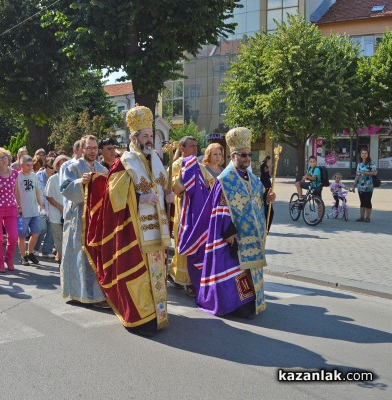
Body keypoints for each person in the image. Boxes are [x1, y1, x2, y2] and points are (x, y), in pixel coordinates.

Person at [84, 107, 175, 333]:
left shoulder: (155, 159)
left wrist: (169, 197)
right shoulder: (124, 162)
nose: (148, 140)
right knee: (138, 273)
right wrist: (139, 196)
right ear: (134, 138)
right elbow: (113, 197)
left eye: (151, 136)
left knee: (157, 272)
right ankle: (141, 317)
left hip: (158, 230)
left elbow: (162, 188)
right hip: (134, 232)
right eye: (144, 136)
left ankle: (157, 313)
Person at [185, 127, 275, 318]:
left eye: (249, 155)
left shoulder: (251, 178)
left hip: (249, 235)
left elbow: (258, 198)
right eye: (243, 155)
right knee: (234, 272)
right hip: (231, 237)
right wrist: (228, 231)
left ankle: (250, 301)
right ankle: (234, 305)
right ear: (234, 155)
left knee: (248, 270)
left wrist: (268, 199)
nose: (247, 158)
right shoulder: (225, 179)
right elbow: (219, 209)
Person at [61, 135, 109, 307]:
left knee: (95, 255)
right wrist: (81, 182)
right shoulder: (72, 168)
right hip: (78, 218)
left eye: (95, 148)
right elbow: (65, 189)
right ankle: (77, 293)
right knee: (78, 255)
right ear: (81, 149)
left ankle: (96, 295)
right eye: (89, 148)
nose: (92, 151)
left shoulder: (102, 169)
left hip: (96, 220)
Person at [168, 136, 199, 296]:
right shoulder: (176, 165)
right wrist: (184, 176)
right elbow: (175, 188)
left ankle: (175, 273)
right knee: (184, 243)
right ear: (182, 149)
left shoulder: (200, 164)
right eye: (191, 146)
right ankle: (186, 280)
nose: (195, 149)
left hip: (198, 211)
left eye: (196, 146)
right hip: (183, 210)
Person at [0, 148, 20, 272]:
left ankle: (8, 258)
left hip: (11, 208)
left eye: (4, 157)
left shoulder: (15, 173)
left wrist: (20, 206)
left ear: (8, 158)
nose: (3, 160)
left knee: (13, 237)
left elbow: (16, 191)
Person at [16, 155, 45, 266]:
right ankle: (23, 256)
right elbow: (15, 193)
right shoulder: (17, 177)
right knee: (22, 236)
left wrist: (40, 205)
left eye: (31, 165)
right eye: (27, 165)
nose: (30, 167)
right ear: (21, 165)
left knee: (36, 233)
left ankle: (29, 252)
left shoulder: (34, 175)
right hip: (22, 212)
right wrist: (18, 206)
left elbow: (37, 191)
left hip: (34, 211)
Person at [45, 154, 70, 264]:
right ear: (57, 165)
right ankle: (64, 260)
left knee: (68, 239)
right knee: (59, 238)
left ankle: (66, 259)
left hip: (69, 214)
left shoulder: (70, 178)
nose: (64, 165)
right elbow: (48, 195)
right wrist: (59, 207)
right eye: (61, 163)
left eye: (66, 162)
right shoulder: (53, 178)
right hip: (56, 214)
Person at [34, 157, 55, 258]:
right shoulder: (38, 175)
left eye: (54, 167)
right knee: (42, 228)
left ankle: (47, 250)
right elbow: (36, 191)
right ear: (46, 166)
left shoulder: (56, 177)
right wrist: (41, 206)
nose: (53, 169)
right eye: (51, 167)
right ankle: (36, 248)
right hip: (40, 206)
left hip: (53, 206)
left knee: (52, 229)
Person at [352, 148, 377, 222]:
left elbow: (375, 173)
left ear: (368, 154)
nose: (364, 155)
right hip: (360, 186)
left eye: (365, 153)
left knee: (368, 201)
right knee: (362, 201)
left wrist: (364, 173)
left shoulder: (371, 163)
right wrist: (354, 185)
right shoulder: (359, 164)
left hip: (369, 185)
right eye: (362, 153)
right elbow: (357, 175)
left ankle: (368, 218)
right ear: (360, 154)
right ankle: (361, 217)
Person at [259, 154, 274, 231]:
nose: (269, 161)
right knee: (266, 191)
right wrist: (270, 167)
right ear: (267, 159)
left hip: (266, 179)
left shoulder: (264, 163)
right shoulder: (263, 164)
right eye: (269, 159)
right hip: (264, 180)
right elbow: (265, 170)